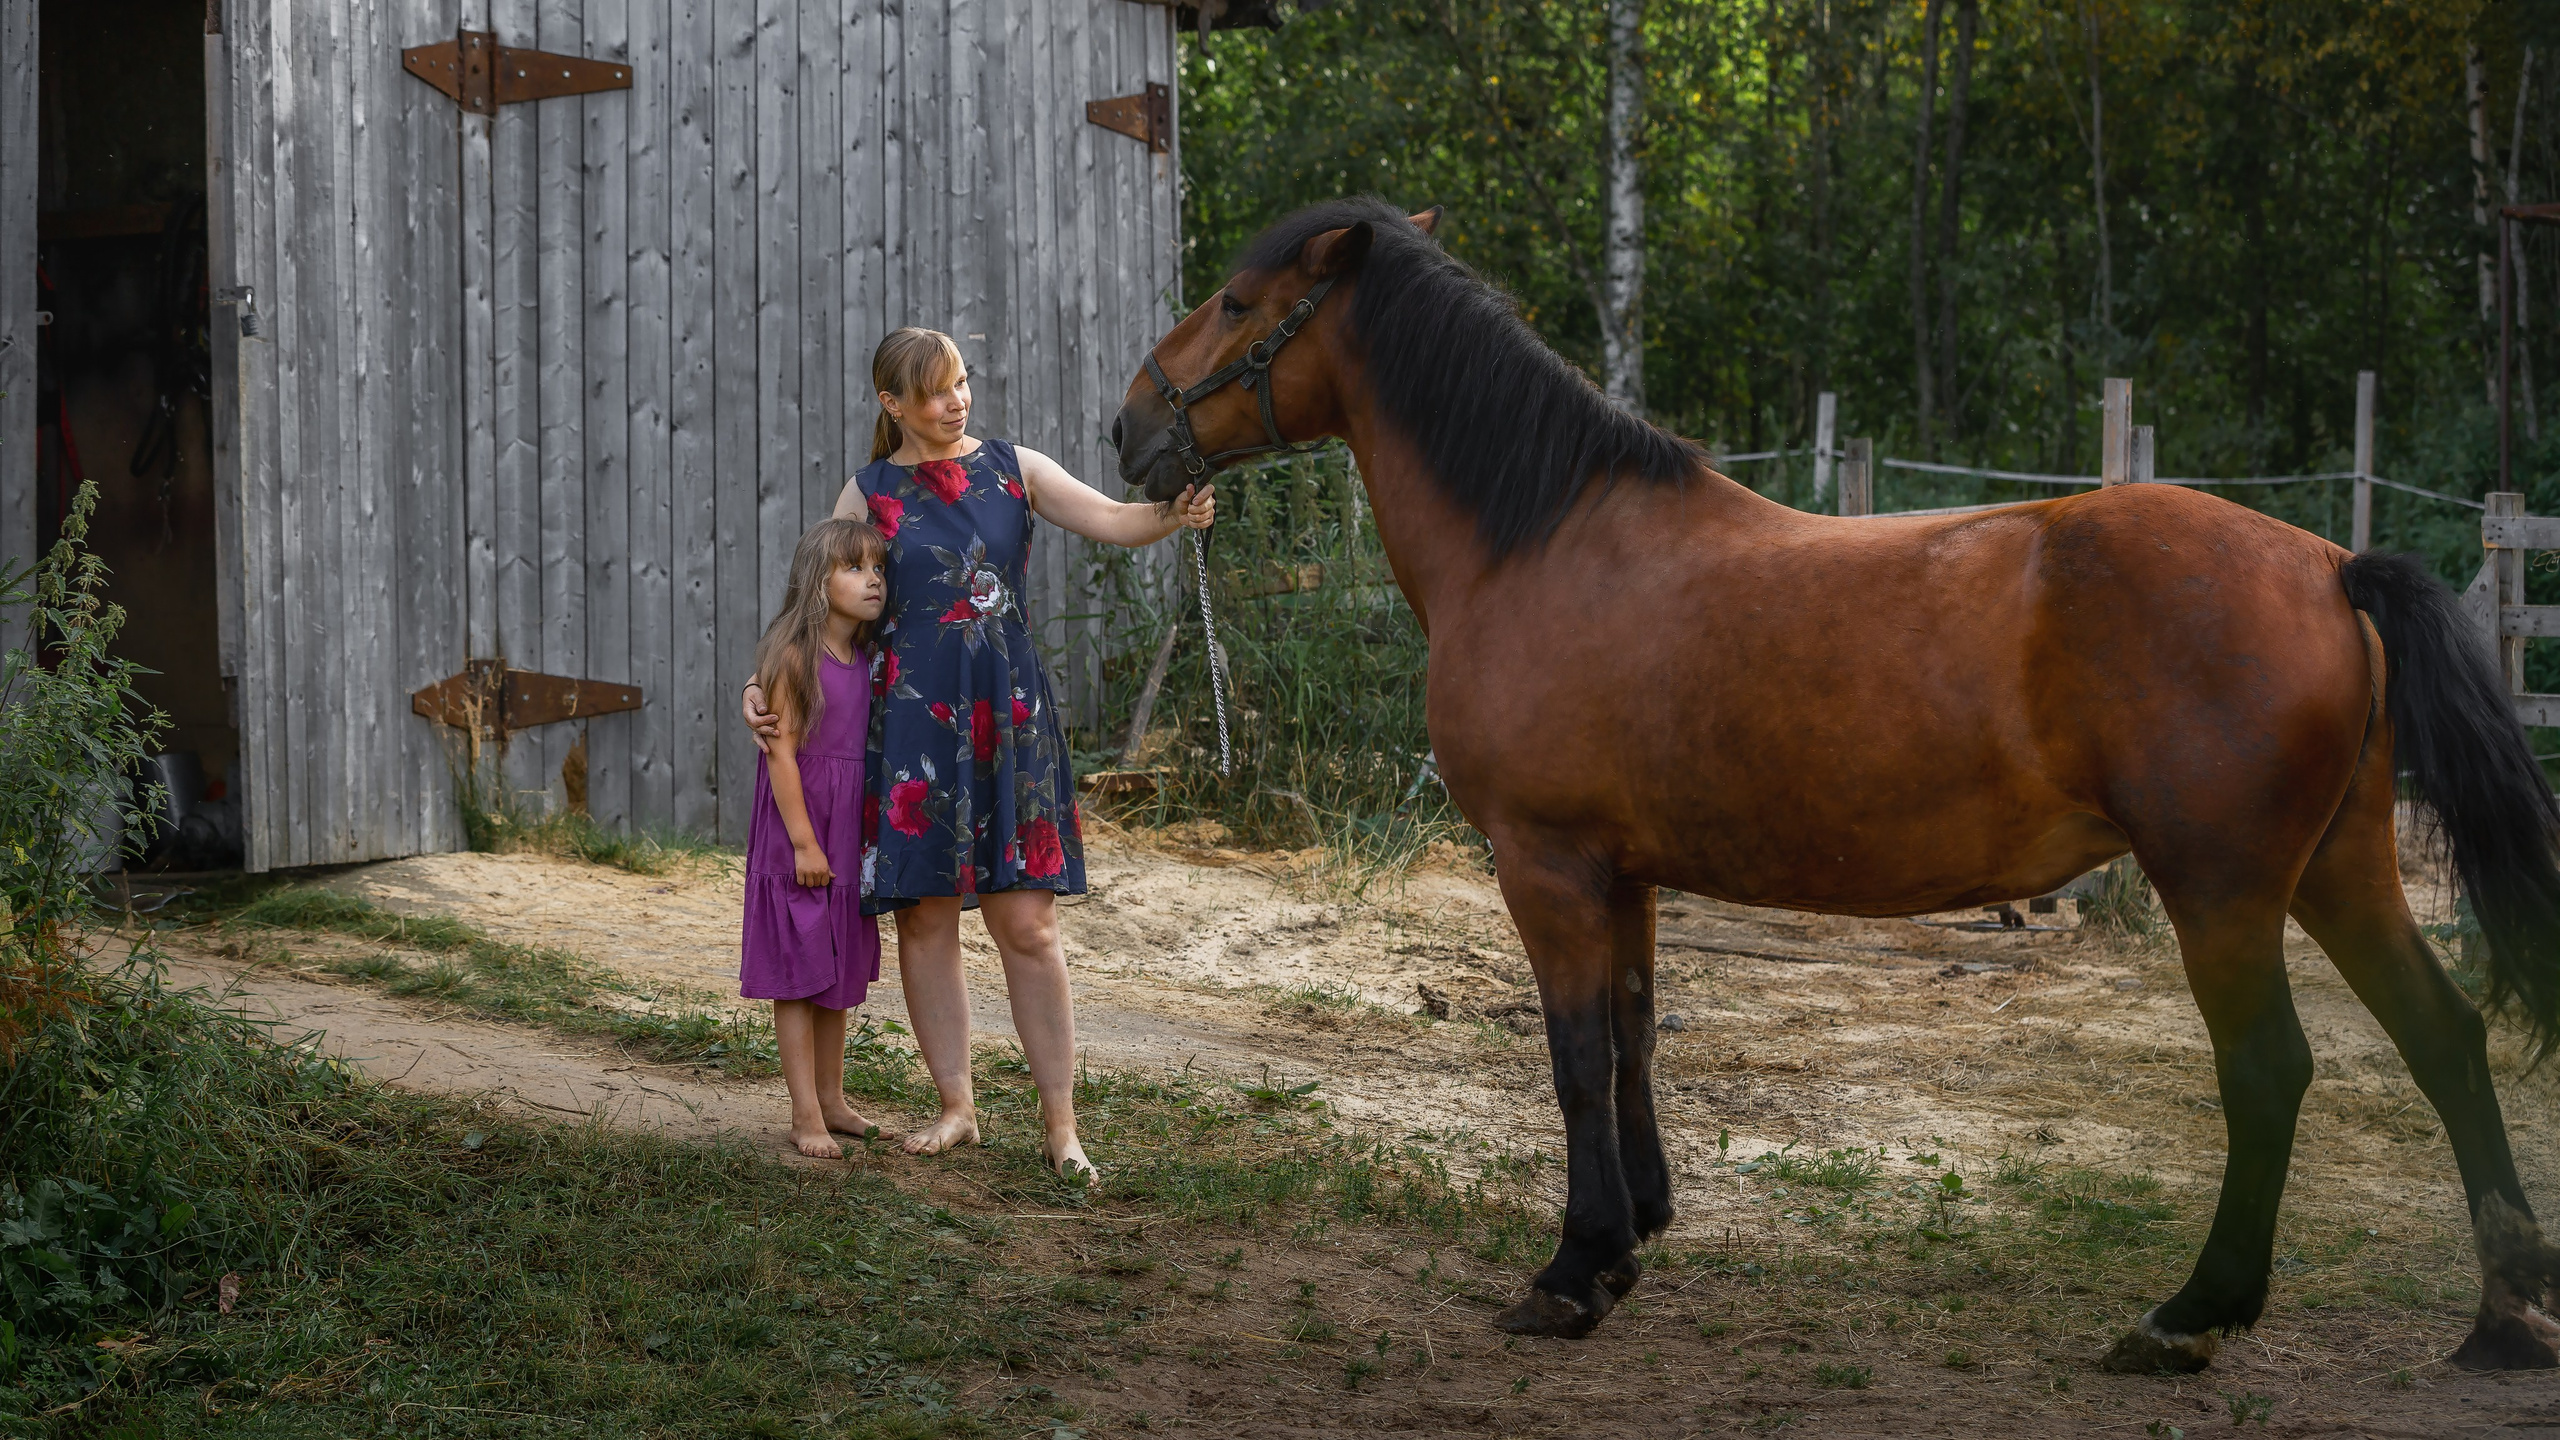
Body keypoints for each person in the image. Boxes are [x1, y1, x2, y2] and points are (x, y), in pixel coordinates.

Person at [744, 326, 1213, 1182]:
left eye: (960, 382)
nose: (956, 400)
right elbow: (814, 590)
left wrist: (1171, 515)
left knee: (1028, 926)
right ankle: (956, 1106)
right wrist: (762, 679)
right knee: (927, 920)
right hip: (914, 725)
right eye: (934, 391)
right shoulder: (871, 489)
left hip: (1009, 718)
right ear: (893, 405)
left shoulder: (1014, 466)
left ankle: (1061, 1125)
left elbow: (1110, 518)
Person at [741, 516, 890, 1159]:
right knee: (799, 972)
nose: (873, 580)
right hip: (800, 830)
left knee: (835, 971)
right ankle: (804, 1113)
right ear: (816, 580)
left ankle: (833, 1100)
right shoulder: (795, 658)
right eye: (854, 568)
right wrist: (803, 842)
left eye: (878, 568)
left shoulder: (867, 656)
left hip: (846, 829)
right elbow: (782, 757)